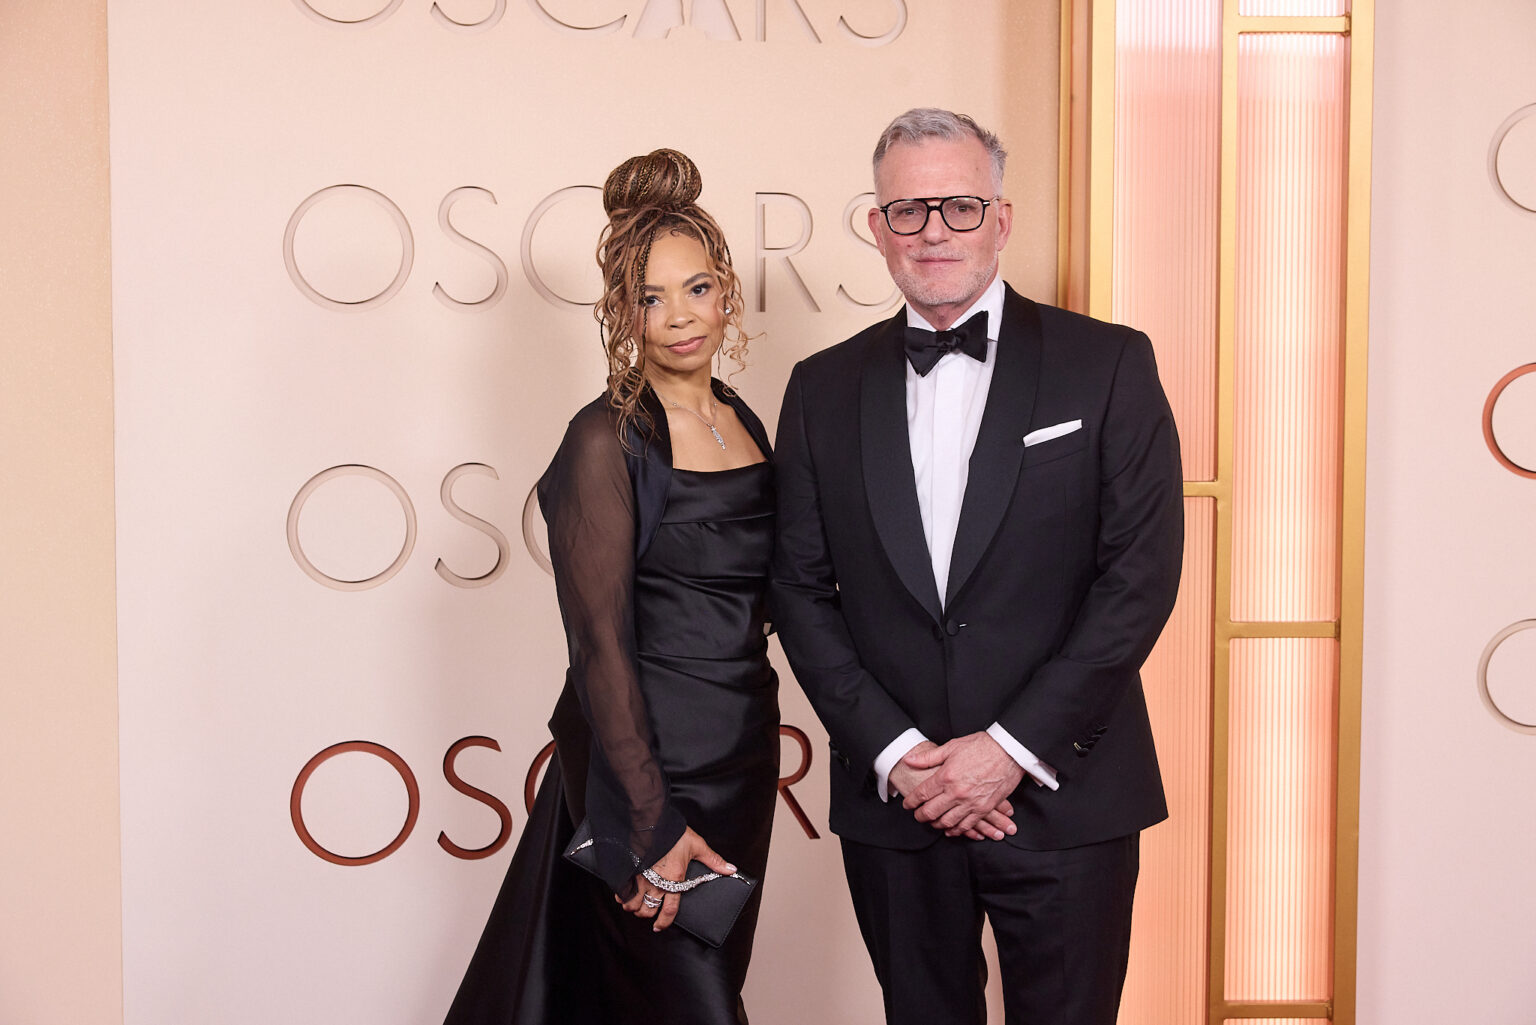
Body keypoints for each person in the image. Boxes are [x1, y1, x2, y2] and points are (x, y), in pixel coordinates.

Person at [770, 108, 1183, 1025]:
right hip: (900, 804)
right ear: (876, 228)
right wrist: (899, 755)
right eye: (909, 211)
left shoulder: (1109, 363)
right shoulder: (820, 387)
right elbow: (799, 591)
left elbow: (1139, 578)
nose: (933, 233)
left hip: (1066, 794)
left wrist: (1007, 751)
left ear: (1001, 218)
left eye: (958, 206)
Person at [444, 148, 779, 1025]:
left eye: (697, 289)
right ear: (620, 311)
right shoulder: (606, 439)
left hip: (743, 760)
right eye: (650, 297)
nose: (678, 317)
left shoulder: (742, 417)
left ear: (727, 291)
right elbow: (598, 645)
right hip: (649, 774)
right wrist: (650, 817)